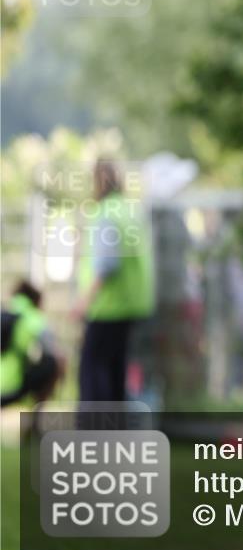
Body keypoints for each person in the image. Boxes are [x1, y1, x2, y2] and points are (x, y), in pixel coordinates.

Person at [72, 158, 156, 402]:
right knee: (116, 372)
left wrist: (83, 302)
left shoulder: (105, 213)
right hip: (132, 304)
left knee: (93, 373)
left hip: (107, 307)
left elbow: (106, 264)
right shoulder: (130, 210)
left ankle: (94, 433)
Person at [1, 280, 64, 409]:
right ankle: (36, 417)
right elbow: (55, 351)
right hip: (12, 386)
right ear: (36, 301)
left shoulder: (6, 312)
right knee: (54, 362)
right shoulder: (32, 317)